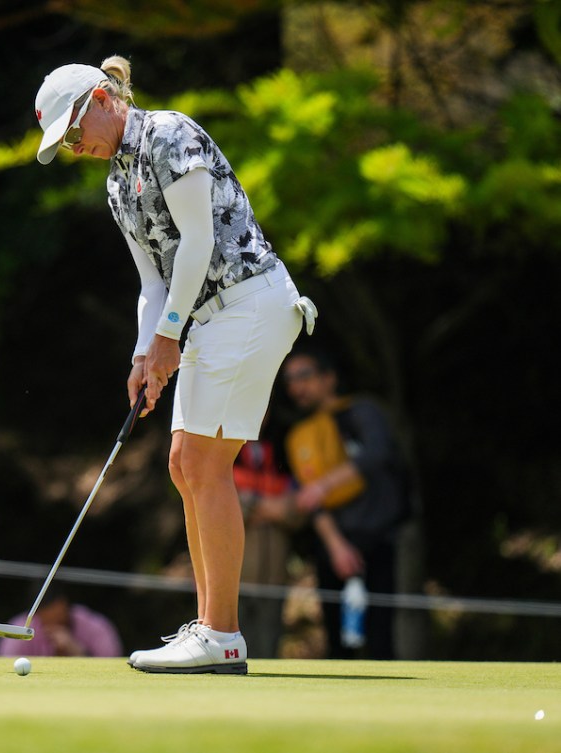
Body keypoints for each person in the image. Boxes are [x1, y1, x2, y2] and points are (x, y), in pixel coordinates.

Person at [33, 56, 316, 674]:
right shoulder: (115, 182)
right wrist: (145, 353)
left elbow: (199, 241)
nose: (77, 148)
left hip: (250, 302)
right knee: (184, 465)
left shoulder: (169, 133)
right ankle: (211, 629)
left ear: (104, 98)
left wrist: (167, 340)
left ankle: (221, 634)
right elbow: (151, 281)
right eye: (68, 143)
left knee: (199, 462)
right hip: (211, 316)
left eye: (76, 132)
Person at [282, 348, 410, 659]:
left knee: (381, 637)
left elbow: (376, 452)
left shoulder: (361, 411)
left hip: (379, 539)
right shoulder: (300, 436)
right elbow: (309, 497)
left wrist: (325, 484)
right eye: (290, 380)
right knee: (339, 643)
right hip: (334, 545)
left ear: (329, 378)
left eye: (305, 375)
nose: (297, 386)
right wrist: (336, 545)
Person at [234, 421, 302, 659]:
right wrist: (271, 507)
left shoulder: (283, 451)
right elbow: (216, 508)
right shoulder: (224, 452)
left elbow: (299, 510)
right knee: (232, 650)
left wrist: (251, 503)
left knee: (268, 652)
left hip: (274, 579)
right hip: (233, 579)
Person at [0, 588, 122, 657]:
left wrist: (80, 652)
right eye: (48, 620)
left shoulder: (95, 627)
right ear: (36, 614)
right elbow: (5, 658)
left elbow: (111, 661)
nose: (55, 623)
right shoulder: (20, 628)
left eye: (59, 617)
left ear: (65, 605)